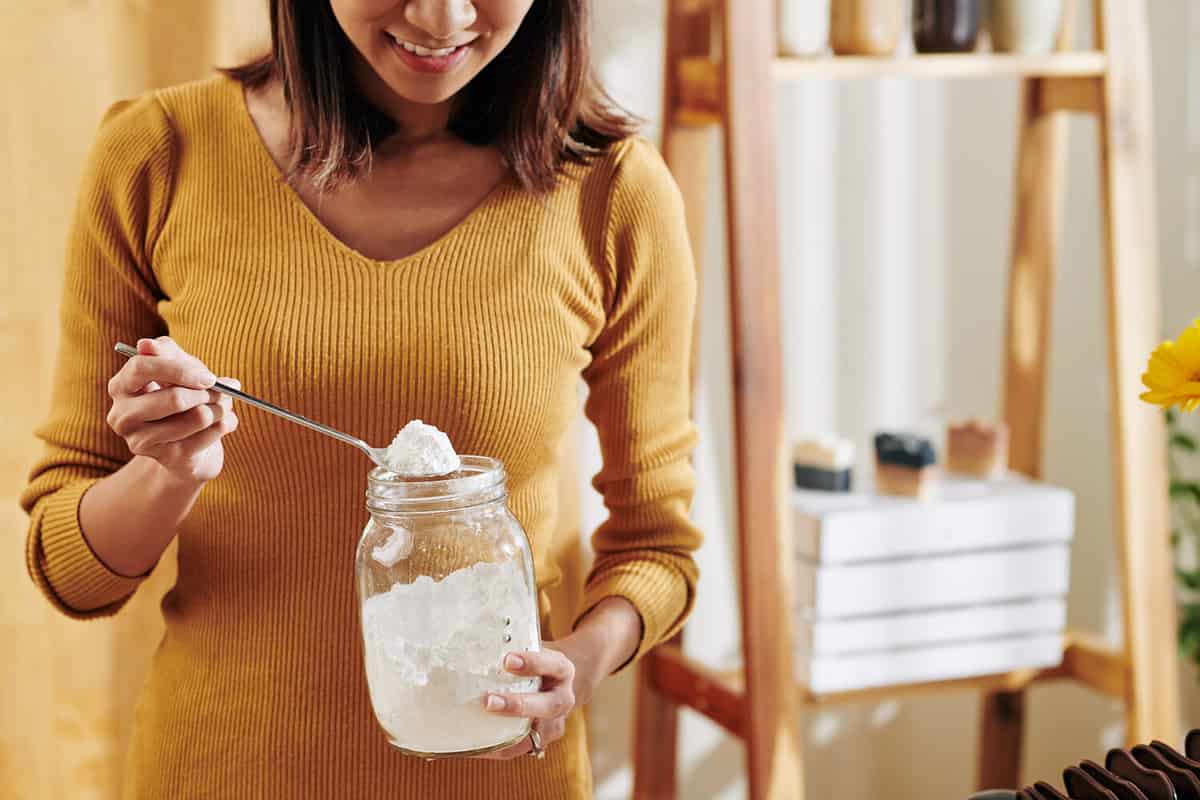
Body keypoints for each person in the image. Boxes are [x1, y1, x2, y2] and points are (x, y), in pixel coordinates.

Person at [20, 1, 701, 797]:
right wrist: (167, 473)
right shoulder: (158, 154)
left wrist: (576, 668)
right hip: (220, 771)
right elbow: (72, 577)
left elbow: (657, 548)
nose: (441, 16)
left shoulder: (615, 191)